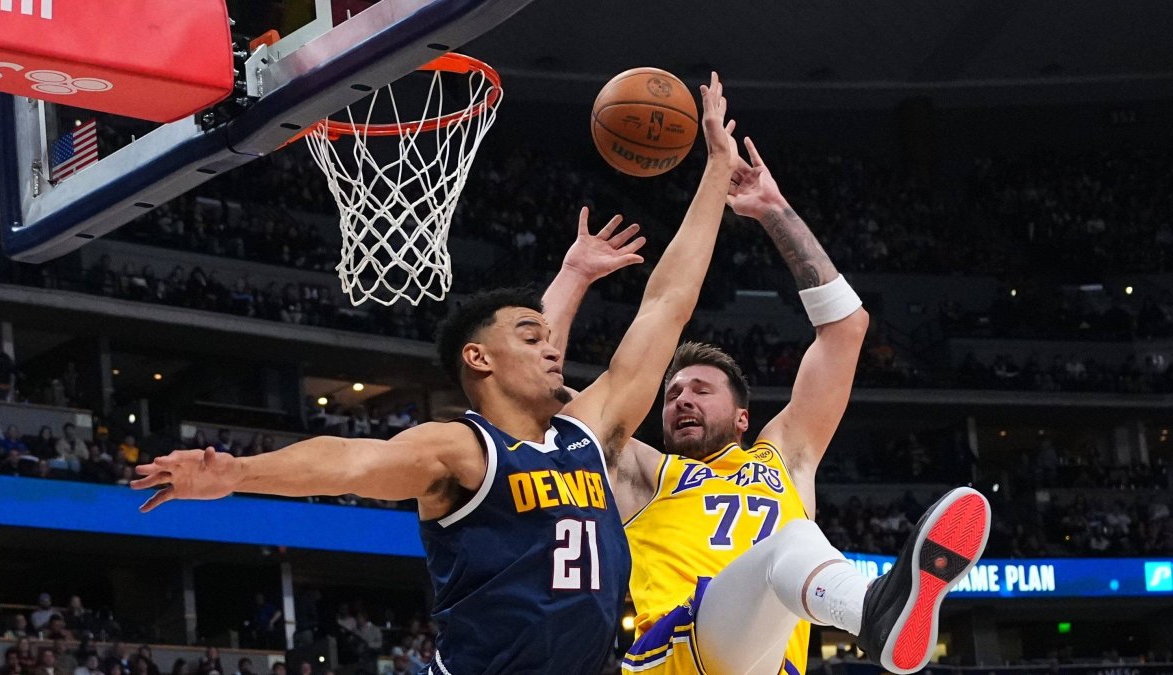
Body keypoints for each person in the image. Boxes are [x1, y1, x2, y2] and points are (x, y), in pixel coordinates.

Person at [130, 73, 740, 675]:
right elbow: (349, 461)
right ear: (479, 359)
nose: (554, 350)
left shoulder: (586, 434)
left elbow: (666, 305)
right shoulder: (462, 451)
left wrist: (715, 169)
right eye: (532, 339)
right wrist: (239, 473)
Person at [545, 137, 990, 675]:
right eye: (673, 394)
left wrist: (773, 210)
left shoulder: (785, 459)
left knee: (791, 550)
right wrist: (572, 277)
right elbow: (537, 396)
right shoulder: (641, 472)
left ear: (743, 418)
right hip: (674, 658)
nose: (682, 399)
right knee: (794, 539)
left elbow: (846, 328)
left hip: (767, 666)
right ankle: (872, 610)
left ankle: (877, 611)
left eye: (701, 390)